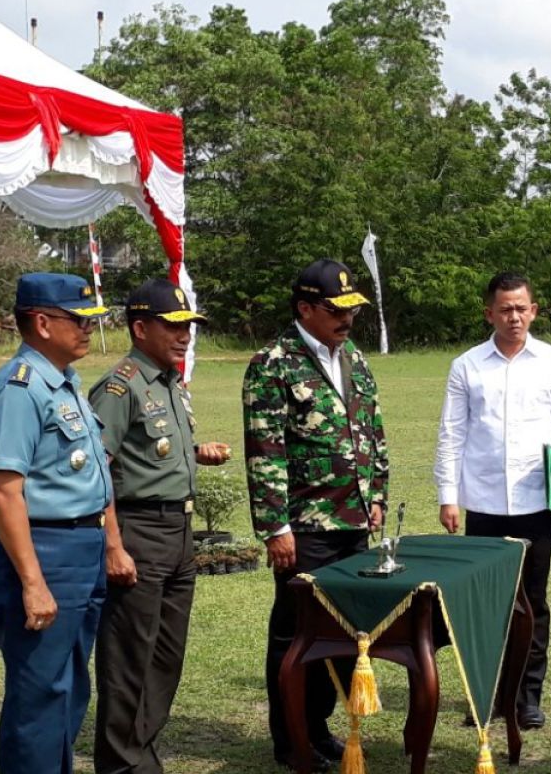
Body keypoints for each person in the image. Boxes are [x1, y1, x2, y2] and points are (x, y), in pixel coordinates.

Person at [243, 258, 388, 772]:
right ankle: (291, 739)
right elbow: (265, 450)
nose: (347, 319)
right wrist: (275, 527)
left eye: (352, 309)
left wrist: (377, 496)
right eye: (336, 310)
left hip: (353, 523)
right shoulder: (273, 363)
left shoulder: (353, 358)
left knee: (346, 635)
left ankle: (321, 726)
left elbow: (372, 431)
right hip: (306, 527)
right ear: (305, 308)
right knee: (296, 635)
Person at [434, 271, 551, 731]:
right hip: (482, 502)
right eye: (505, 309)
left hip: (538, 501)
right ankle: (487, 694)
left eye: (522, 308)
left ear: (535, 310)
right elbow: (451, 433)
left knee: (532, 602)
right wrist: (448, 496)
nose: (514, 317)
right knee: (484, 604)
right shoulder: (467, 365)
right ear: (489, 313)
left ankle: (526, 697)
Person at [88, 279, 232, 774]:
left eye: (188, 326)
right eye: (173, 326)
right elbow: (96, 469)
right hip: (138, 532)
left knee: (166, 657)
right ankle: (121, 763)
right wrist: (112, 545)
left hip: (180, 531)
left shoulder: (169, 383)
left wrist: (195, 456)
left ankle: (139, 750)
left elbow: (148, 452)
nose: (184, 336)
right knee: (129, 658)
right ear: (140, 327)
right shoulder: (119, 386)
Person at [0, 273, 112, 774]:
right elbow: (4, 492)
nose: (89, 330)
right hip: (45, 550)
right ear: (43, 322)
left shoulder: (63, 382)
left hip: (81, 549)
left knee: (69, 685)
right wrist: (33, 582)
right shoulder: (19, 390)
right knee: (39, 695)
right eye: (80, 321)